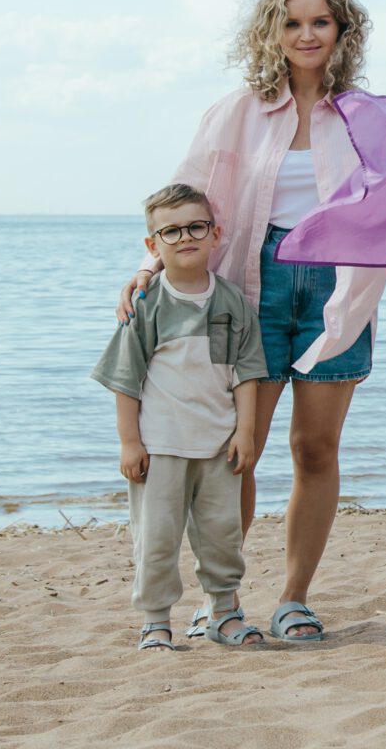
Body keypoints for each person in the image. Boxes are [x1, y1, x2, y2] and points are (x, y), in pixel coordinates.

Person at [116, 0, 386, 644]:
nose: (306, 34)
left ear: (341, 29)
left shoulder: (363, 113)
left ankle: (295, 597)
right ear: (271, 29)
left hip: (337, 285)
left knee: (316, 447)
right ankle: (223, 598)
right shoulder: (236, 111)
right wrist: (150, 265)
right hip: (252, 286)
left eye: (320, 21)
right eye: (292, 22)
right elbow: (188, 195)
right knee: (239, 448)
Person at [94, 184, 268, 650]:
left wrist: (245, 433)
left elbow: (246, 374)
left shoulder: (232, 303)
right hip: (161, 448)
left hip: (218, 446)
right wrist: (130, 443)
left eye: (196, 227)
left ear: (216, 234)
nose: (185, 237)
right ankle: (155, 620)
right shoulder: (146, 305)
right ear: (153, 245)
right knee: (156, 539)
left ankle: (224, 612)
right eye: (171, 231)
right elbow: (124, 380)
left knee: (222, 536)